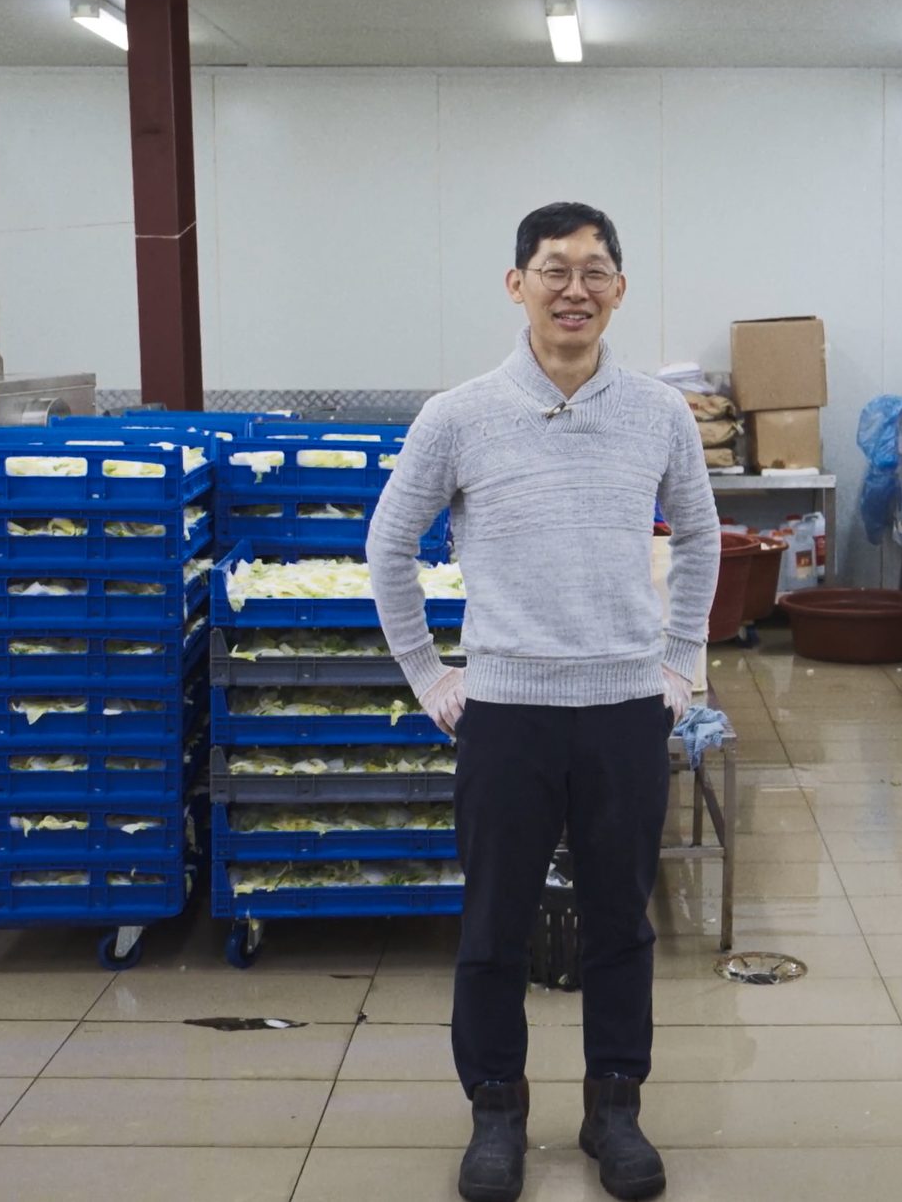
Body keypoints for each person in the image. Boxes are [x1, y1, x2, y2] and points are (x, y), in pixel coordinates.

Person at [367, 202, 720, 1202]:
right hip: (507, 713)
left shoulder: (656, 413)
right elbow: (389, 549)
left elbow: (699, 538)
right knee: (494, 925)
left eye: (596, 270)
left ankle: (615, 1110)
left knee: (621, 923)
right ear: (515, 284)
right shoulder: (460, 414)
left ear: (620, 290)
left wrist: (681, 663)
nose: (576, 287)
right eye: (555, 268)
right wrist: (430, 676)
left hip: (621, 710)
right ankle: (495, 1112)